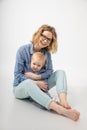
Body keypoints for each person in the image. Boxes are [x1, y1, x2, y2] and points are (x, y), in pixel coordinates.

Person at [13, 24, 80, 121]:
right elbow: (17, 75)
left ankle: (63, 102)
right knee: (28, 83)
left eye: (49, 39)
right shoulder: (22, 50)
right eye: (43, 36)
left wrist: (37, 77)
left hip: (41, 85)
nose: (45, 41)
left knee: (60, 72)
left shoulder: (46, 53)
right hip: (21, 88)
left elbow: (49, 71)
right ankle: (60, 110)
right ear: (38, 34)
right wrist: (34, 82)